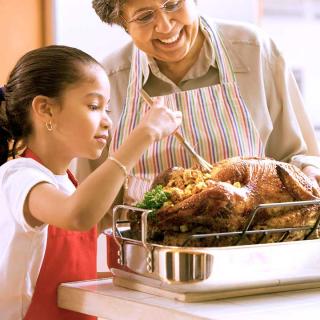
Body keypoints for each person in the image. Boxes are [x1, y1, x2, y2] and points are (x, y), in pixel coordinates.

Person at [0, 45, 181, 320]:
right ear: (45, 109)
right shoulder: (18, 177)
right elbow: (77, 214)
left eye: (107, 108)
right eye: (94, 106)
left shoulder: (69, 185)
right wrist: (144, 135)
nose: (107, 121)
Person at [82, 0, 320, 207]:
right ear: (123, 24)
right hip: (146, 251)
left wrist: (310, 172)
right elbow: (89, 198)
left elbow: (297, 157)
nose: (165, 26)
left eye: (174, 4)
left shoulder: (255, 52)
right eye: (145, 16)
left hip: (251, 246)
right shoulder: (109, 80)